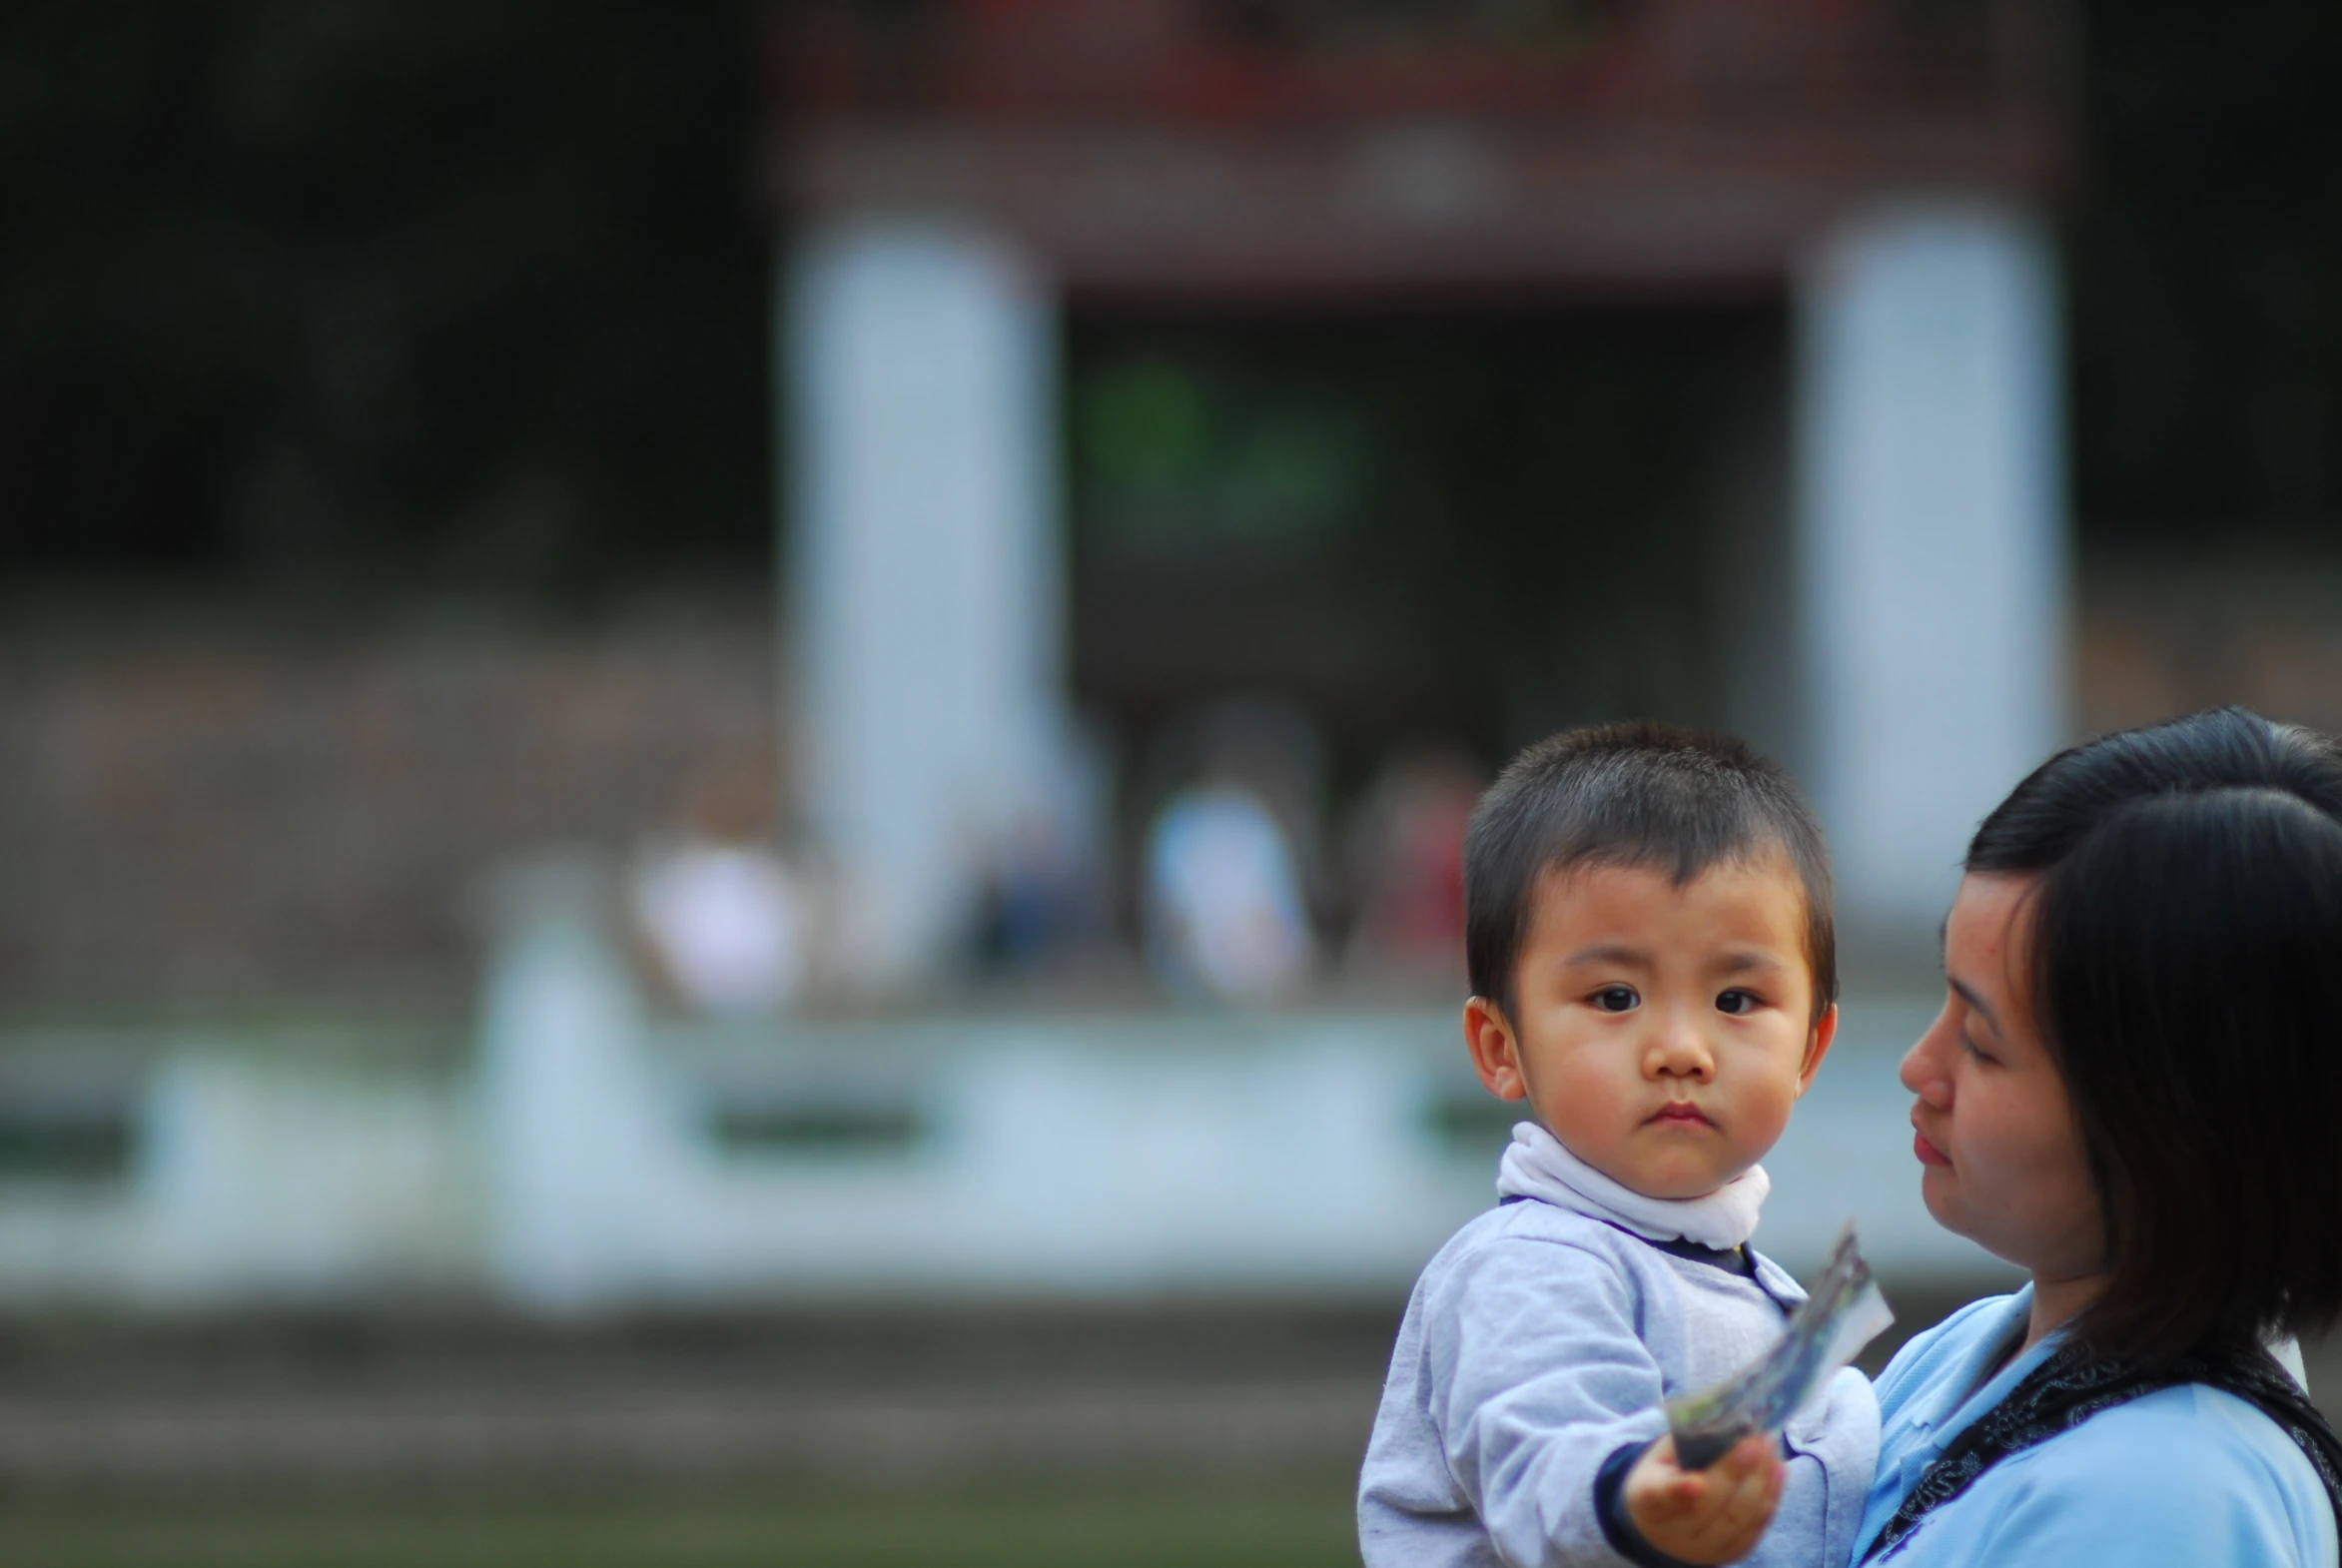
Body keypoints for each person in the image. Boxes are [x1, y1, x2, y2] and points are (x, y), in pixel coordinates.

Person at [1360, 722, 1880, 1568]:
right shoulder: (1530, 1265)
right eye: (1613, 996)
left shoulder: (1752, 1279)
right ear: (1500, 1048)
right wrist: (1629, 1495)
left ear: (1808, 1054)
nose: (1681, 1048)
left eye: (1737, 1000)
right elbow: (1545, 1441)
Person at [1854, 707, 2342, 1565]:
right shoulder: (1966, 1350)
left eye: (1980, 1043)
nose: (1917, 1068)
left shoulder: (2162, 1499)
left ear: (2172, 1127)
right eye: (1946, 996)